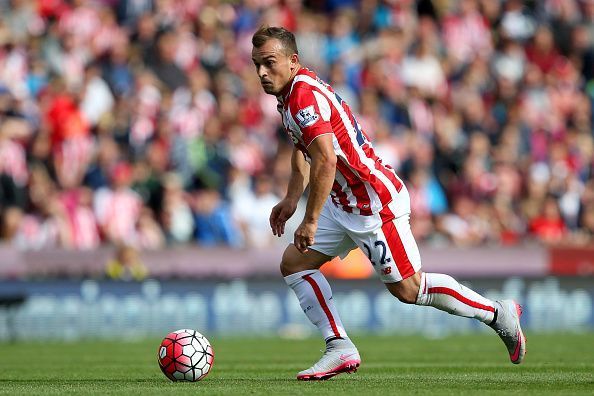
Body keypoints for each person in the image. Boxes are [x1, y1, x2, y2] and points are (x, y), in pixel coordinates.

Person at [251, 26, 526, 381]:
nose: (261, 73)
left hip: (372, 202)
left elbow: (325, 160)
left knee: (409, 290)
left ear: (293, 61)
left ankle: (497, 312)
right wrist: (291, 198)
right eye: (257, 65)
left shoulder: (303, 96)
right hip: (342, 202)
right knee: (294, 264)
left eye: (268, 63)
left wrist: (310, 218)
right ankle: (339, 347)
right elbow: (302, 150)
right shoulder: (290, 94)